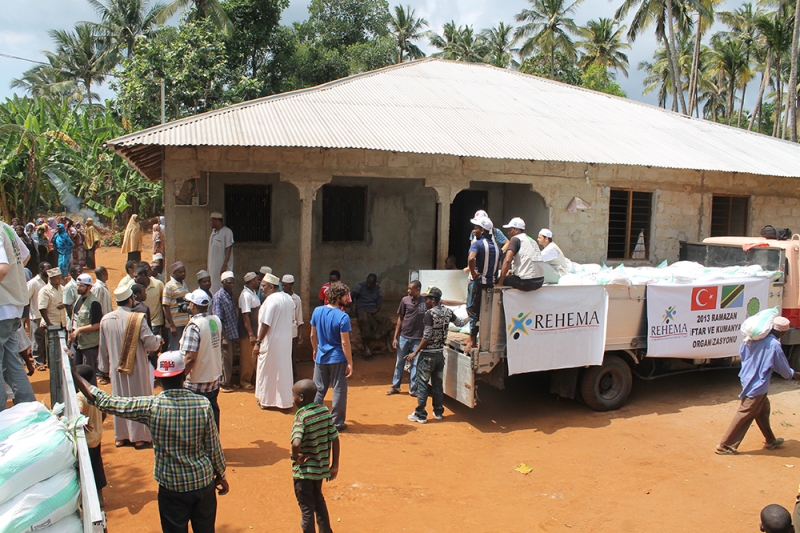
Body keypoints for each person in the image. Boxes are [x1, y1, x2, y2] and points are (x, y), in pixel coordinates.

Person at [73, 351, 228, 533]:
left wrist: (74, 374)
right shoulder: (202, 404)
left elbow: (104, 401)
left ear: (159, 379)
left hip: (171, 487)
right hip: (202, 484)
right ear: (184, 375)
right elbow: (213, 446)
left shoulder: (151, 406)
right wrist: (221, 474)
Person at [716, 316, 800, 455]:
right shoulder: (774, 344)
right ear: (782, 332)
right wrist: (795, 375)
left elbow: (743, 353)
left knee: (763, 410)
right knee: (745, 412)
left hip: (747, 378)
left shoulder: (751, 339)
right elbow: (783, 369)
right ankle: (725, 445)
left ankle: (770, 440)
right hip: (758, 384)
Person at [98, 285, 162, 449]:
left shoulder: (106, 319)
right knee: (139, 400)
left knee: (119, 399)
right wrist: (158, 339)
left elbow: (103, 347)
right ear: (130, 299)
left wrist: (103, 367)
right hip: (137, 367)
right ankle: (139, 437)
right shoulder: (137, 319)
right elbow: (151, 344)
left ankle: (121, 437)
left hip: (116, 368)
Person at [407, 287, 466, 424]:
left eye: (427, 299)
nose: (425, 301)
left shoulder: (429, 314)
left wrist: (415, 352)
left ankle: (420, 414)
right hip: (440, 354)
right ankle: (438, 412)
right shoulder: (448, 312)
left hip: (427, 355)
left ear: (433, 300)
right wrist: (474, 316)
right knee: (438, 385)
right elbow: (461, 323)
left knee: (422, 384)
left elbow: (427, 336)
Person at [291, 379, 340, 533]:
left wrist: (295, 456)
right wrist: (334, 465)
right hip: (319, 471)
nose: (292, 399)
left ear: (301, 398)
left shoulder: (302, 417)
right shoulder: (324, 411)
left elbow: (296, 442)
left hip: (304, 474)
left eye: (293, 395)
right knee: (319, 502)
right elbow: (335, 438)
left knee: (307, 510)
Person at [0, 220, 36, 411]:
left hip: (2, 306)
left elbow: (3, 267)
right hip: (12, 307)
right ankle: (27, 410)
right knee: (12, 362)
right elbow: (25, 255)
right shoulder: (6, 228)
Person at [310, 282, 353, 431]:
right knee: (339, 390)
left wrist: (315, 350)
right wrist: (350, 362)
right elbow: (344, 342)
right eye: (345, 296)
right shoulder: (343, 317)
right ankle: (336, 423)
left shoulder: (317, 311)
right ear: (339, 297)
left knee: (318, 389)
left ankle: (313, 419)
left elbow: (312, 335)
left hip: (321, 357)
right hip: (338, 358)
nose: (347, 299)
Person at [180, 289, 224, 428]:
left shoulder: (194, 327)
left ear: (193, 306)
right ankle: (213, 439)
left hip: (197, 381)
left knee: (195, 418)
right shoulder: (215, 320)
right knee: (212, 411)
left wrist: (181, 376)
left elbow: (190, 358)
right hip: (213, 377)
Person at [254, 274, 295, 410]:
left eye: (264, 286)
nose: (261, 288)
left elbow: (266, 324)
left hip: (271, 342)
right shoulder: (288, 299)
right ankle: (284, 401)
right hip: (285, 342)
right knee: (283, 371)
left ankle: (266, 401)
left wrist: (258, 342)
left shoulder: (271, 300)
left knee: (267, 371)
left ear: (271, 287)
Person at [465, 215, 500, 351]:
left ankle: (472, 341)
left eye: (476, 228)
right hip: (490, 284)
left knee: (472, 311)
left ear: (483, 231)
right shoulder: (496, 246)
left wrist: (473, 274)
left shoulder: (477, 244)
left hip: (478, 283)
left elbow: (471, 258)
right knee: (486, 312)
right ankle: (483, 340)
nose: (474, 231)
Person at [75, 364, 107, 508]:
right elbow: (104, 413)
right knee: (97, 466)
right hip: (97, 437)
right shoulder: (97, 393)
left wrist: (83, 423)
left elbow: (80, 412)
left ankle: (87, 501)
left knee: (85, 470)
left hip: (86, 440)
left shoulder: (79, 397)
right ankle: (100, 497)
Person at [387, 280, 426, 397]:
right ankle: (395, 387)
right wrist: (395, 337)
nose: (408, 291)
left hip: (418, 338)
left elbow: (441, 300)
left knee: (416, 364)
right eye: (408, 288)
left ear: (417, 290)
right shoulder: (405, 300)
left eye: (410, 289)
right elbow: (400, 318)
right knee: (400, 362)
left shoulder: (425, 301)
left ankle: (413, 389)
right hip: (404, 337)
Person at [497, 217, 545, 291]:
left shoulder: (515, 239)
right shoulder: (531, 240)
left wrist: (500, 283)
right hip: (540, 281)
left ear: (517, 230)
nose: (508, 233)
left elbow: (507, 260)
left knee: (497, 280)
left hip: (526, 282)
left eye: (510, 230)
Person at [351, 274, 394, 356]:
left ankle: (388, 342)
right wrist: (352, 310)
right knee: (364, 320)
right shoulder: (360, 287)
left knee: (385, 319)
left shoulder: (378, 289)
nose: (369, 285)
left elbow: (379, 303)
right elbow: (351, 297)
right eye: (368, 283)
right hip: (361, 309)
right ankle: (365, 346)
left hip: (372, 309)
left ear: (375, 283)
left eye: (371, 284)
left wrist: (376, 310)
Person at [69, 274, 103, 375]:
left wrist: (79, 330)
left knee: (88, 373)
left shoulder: (94, 303)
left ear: (89, 287)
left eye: (82, 286)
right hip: (77, 342)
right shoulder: (79, 299)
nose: (78, 288)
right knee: (75, 371)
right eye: (78, 285)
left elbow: (97, 324)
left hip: (89, 344)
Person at [212, 271, 238, 393]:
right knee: (224, 358)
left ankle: (228, 381)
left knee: (229, 359)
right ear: (223, 283)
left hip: (230, 332)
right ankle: (223, 383)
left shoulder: (229, 295)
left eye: (232, 282)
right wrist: (223, 337)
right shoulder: (219, 297)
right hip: (224, 334)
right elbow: (218, 319)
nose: (231, 285)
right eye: (229, 283)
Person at [238, 272, 261, 389]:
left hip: (255, 330)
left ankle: (254, 380)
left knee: (254, 357)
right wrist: (251, 334)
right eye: (257, 280)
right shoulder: (246, 295)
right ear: (252, 281)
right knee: (247, 357)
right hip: (248, 332)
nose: (259, 282)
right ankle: (245, 381)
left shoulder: (253, 293)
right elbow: (245, 316)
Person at [27, 261, 50, 369]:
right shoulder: (33, 283)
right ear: (41, 270)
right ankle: (38, 362)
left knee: (47, 339)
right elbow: (26, 298)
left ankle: (46, 359)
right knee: (37, 339)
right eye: (47, 269)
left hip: (49, 316)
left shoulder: (50, 281)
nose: (49, 271)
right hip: (36, 315)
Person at [163, 262, 190, 351]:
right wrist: (172, 325)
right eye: (180, 272)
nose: (183, 274)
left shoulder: (184, 284)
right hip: (175, 325)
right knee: (173, 349)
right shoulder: (169, 286)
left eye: (184, 271)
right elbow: (165, 306)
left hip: (185, 323)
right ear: (174, 273)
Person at [282, 274, 304, 378]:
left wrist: (300, 334)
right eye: (282, 285)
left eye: (286, 285)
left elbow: (299, 317)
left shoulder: (297, 299)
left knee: (292, 354)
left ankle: (292, 375)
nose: (283, 287)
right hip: (282, 330)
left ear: (291, 285)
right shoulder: (280, 297)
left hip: (292, 330)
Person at [207, 212, 234, 295]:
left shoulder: (227, 232)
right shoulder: (213, 232)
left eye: (211, 220)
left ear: (216, 220)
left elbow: (228, 248)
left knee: (221, 286)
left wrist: (224, 265)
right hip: (212, 266)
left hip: (221, 266)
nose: (210, 223)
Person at [134, 266, 165, 335]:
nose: (134, 279)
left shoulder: (158, 284)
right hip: (141, 322)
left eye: (136, 277)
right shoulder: (135, 287)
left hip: (156, 322)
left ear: (143, 276)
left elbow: (163, 302)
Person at [39, 267, 68, 332]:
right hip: (51, 323)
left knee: (62, 338)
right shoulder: (45, 291)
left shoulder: (63, 289)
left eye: (60, 278)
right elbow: (42, 308)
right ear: (51, 278)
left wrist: (64, 305)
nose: (60, 280)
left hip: (63, 323)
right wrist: (49, 323)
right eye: (57, 278)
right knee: (52, 338)